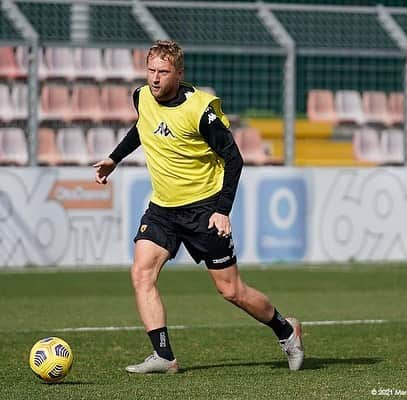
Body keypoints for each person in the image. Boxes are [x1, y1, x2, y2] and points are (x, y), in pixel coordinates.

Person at [94, 40, 304, 373]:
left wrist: (222, 210)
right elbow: (143, 128)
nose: (155, 79)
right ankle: (164, 356)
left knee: (231, 290)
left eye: (163, 72)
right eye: (151, 71)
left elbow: (234, 159)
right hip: (162, 209)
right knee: (141, 272)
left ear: (179, 73)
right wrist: (114, 158)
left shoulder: (200, 111)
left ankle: (285, 329)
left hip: (204, 209)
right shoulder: (141, 97)